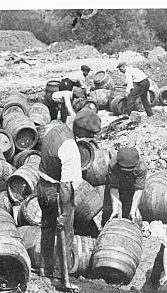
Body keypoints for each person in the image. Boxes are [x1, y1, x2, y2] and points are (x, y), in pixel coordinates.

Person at [37, 110, 101, 278]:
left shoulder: (56, 129)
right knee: (66, 232)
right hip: (56, 192)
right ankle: (61, 276)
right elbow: (66, 186)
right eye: (89, 134)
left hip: (42, 186)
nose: (90, 138)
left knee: (47, 228)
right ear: (81, 131)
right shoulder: (70, 147)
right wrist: (65, 213)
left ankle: (46, 267)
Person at [101, 147, 147, 226]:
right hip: (116, 184)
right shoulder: (113, 164)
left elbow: (138, 190)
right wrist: (115, 209)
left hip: (131, 187)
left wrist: (133, 210)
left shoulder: (141, 167)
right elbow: (114, 187)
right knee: (109, 211)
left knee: (129, 215)